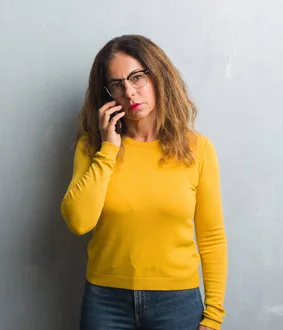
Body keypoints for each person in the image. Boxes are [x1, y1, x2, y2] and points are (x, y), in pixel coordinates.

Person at [60, 34, 228, 330]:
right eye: (116, 84)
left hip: (177, 303)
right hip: (105, 302)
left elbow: (212, 237)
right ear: (107, 94)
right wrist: (108, 149)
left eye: (137, 77)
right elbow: (78, 221)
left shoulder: (198, 150)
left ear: (158, 75)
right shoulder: (93, 148)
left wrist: (213, 317)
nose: (129, 92)